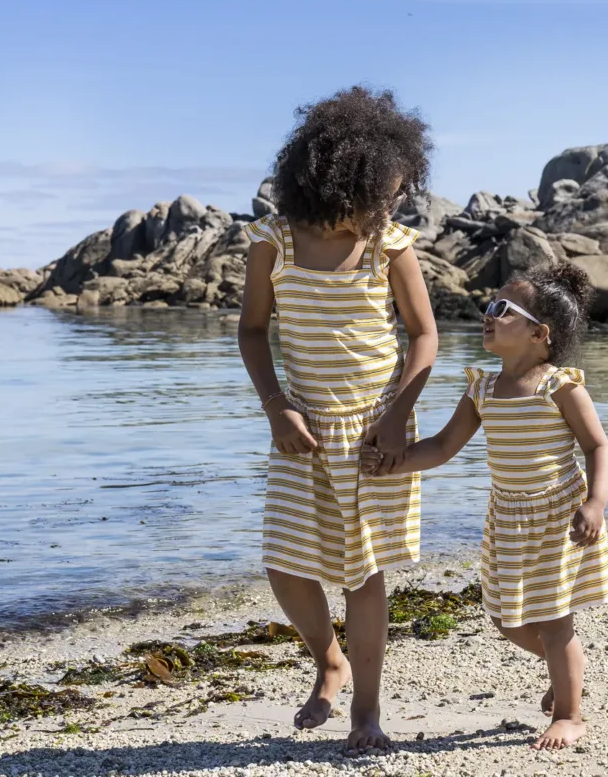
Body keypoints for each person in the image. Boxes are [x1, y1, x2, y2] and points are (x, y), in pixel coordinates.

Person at [237, 86, 438, 755]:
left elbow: (424, 337)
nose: (396, 202)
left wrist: (396, 417)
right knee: (285, 564)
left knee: (363, 571)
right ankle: (329, 657)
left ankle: (367, 713)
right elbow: (253, 332)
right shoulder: (274, 243)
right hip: (303, 427)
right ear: (337, 178)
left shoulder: (390, 243)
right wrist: (277, 407)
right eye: (388, 190)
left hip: (377, 428)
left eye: (402, 190)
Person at [363, 263, 608, 750]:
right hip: (507, 520)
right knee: (505, 618)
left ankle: (570, 713)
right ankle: (567, 670)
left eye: (502, 309)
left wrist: (595, 503)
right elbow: (442, 447)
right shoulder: (482, 388)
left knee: (555, 617)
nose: (488, 315)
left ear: (539, 334)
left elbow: (598, 447)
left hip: (558, 517)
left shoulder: (559, 386)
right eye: (489, 307)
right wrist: (394, 463)